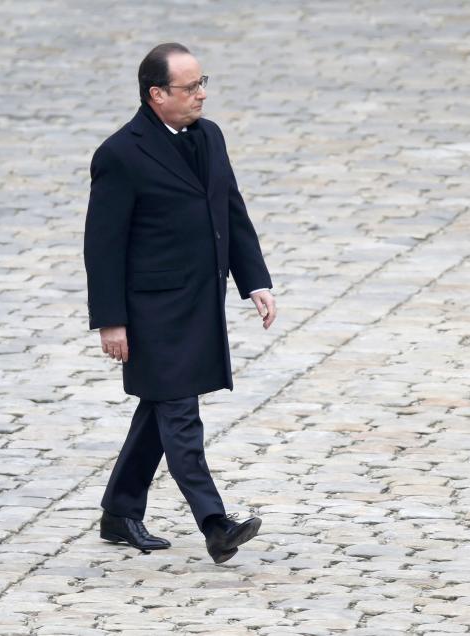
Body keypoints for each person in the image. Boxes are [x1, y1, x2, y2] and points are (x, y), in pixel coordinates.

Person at [83, 42, 276, 564]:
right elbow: (102, 246)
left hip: (200, 303)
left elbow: (230, 211)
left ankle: (120, 512)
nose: (202, 94)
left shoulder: (209, 138)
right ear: (156, 94)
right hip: (152, 314)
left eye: (201, 82)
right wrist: (111, 322)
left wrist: (255, 281)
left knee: (160, 408)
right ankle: (215, 524)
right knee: (181, 414)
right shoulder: (120, 154)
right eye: (190, 87)